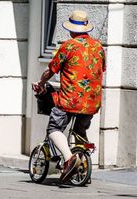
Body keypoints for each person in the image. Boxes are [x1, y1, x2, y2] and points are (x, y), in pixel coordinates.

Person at [32, 10, 105, 183]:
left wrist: (41, 83)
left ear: (71, 30)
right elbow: (99, 70)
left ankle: (68, 159)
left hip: (69, 100)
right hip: (92, 102)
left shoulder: (68, 46)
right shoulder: (98, 47)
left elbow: (51, 70)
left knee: (54, 129)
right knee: (80, 131)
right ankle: (84, 169)